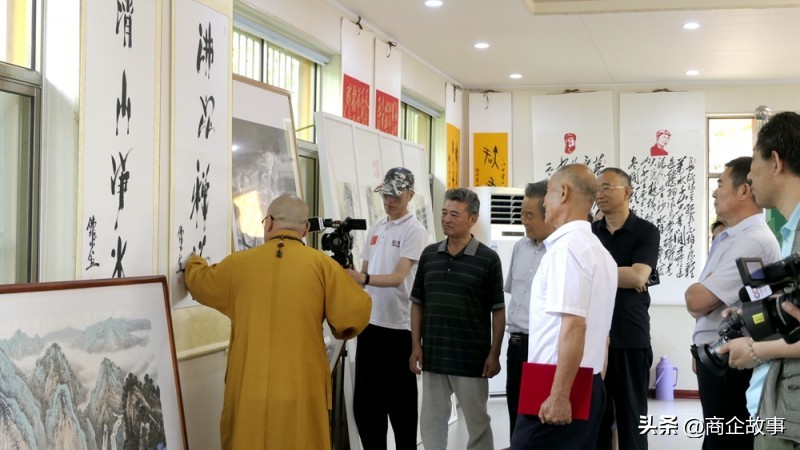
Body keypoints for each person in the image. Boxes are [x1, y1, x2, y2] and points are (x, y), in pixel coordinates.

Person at [184, 193, 372, 450]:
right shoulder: (323, 266)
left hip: (250, 387)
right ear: (305, 228)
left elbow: (199, 282)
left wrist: (194, 262)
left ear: (269, 223)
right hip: (301, 388)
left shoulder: (239, 263)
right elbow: (352, 317)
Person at [511, 164, 618, 450]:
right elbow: (602, 333)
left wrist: (559, 394)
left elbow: (575, 325)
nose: (544, 202)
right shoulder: (599, 251)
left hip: (557, 384)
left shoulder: (567, 249)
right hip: (586, 380)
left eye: (548, 192)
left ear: (563, 193)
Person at [685, 157, 781, 450]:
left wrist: (704, 291)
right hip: (717, 354)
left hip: (733, 360)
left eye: (720, 183)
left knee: (726, 440)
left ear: (744, 191)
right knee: (717, 437)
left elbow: (696, 299)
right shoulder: (728, 237)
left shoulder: (752, 240)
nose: (714, 192)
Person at [720, 111, 800, 449]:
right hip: (779, 405)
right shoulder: (789, 232)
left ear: (776, 162)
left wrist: (755, 350)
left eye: (753, 163)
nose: (750, 175)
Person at [409, 188, 505, 450]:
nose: (446, 219)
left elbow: (498, 311)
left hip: (472, 359)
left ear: (473, 219)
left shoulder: (488, 259)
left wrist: (494, 353)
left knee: (478, 425)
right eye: (444, 213)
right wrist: (416, 346)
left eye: (454, 214)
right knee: (431, 424)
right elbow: (417, 304)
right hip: (434, 356)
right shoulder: (429, 255)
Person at [345, 167, 428, 450]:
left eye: (396, 196)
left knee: (401, 406)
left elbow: (397, 278)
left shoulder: (414, 231)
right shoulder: (377, 227)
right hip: (370, 326)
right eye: (386, 195)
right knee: (367, 406)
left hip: (399, 329)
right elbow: (363, 275)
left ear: (410, 196)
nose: (389, 201)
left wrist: (362, 278)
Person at [592, 167, 660, 450]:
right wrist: (626, 275)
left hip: (630, 336)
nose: (600, 194)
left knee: (633, 420)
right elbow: (630, 276)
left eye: (607, 187)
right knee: (596, 422)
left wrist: (594, 272)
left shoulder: (646, 231)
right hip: (594, 339)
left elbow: (639, 277)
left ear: (627, 192)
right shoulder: (590, 232)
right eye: (598, 188)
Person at [504, 180, 555, 440]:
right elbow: (513, 294)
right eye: (521, 214)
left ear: (549, 213)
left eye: (529, 215)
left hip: (543, 347)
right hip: (516, 344)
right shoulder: (519, 247)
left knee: (540, 420)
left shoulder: (558, 252)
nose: (523, 221)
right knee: (516, 414)